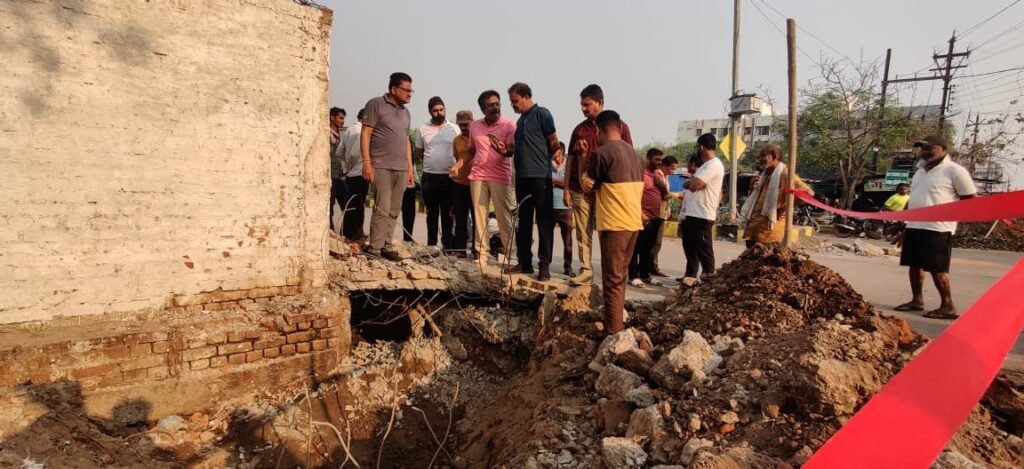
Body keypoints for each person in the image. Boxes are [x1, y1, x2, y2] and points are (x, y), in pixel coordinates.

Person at [894, 135, 976, 320]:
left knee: (937, 268)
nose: (925, 152)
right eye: (922, 148)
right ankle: (916, 300)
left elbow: (970, 199)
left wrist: (952, 217)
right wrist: (905, 226)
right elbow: (915, 199)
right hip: (915, 225)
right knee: (914, 265)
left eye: (929, 148)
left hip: (938, 228)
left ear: (943, 149)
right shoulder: (919, 172)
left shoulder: (954, 171)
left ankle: (947, 305)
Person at [581, 110, 643, 334]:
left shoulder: (601, 154)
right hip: (633, 223)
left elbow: (587, 185)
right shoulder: (636, 155)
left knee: (612, 280)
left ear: (599, 130)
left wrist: (583, 157)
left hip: (614, 223)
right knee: (620, 277)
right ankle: (616, 324)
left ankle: (613, 332)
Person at [566, 84, 633, 286]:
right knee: (582, 231)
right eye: (582, 105)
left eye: (587, 104)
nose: (583, 109)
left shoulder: (619, 127)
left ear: (600, 102)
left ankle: (611, 272)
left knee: (608, 232)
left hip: (607, 190)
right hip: (581, 187)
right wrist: (567, 189)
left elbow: (627, 156)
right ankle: (586, 269)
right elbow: (570, 159)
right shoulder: (579, 129)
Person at [507, 82, 559, 280]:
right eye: (511, 102)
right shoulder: (520, 121)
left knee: (544, 222)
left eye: (515, 101)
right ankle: (524, 261)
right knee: (524, 221)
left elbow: (553, 140)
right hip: (522, 178)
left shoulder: (542, 114)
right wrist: (503, 149)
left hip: (540, 176)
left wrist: (557, 153)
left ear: (526, 97)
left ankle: (544, 264)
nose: (513, 105)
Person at [361, 72, 414, 261]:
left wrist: (410, 168)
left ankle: (387, 245)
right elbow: (366, 134)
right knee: (382, 207)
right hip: (381, 165)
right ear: (393, 89)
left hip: (401, 168)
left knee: (394, 209)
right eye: (406, 90)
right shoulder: (376, 104)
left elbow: (406, 141)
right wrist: (367, 163)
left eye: (411, 90)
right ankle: (374, 248)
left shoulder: (406, 112)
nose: (409, 94)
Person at [468, 90, 517, 269]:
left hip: (500, 176)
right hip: (478, 175)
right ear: (483, 109)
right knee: (479, 217)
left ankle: (511, 255)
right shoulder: (475, 126)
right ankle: (482, 255)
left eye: (497, 104)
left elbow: (511, 150)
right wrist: (459, 165)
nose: (496, 108)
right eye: (491, 105)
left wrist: (503, 150)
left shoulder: (509, 125)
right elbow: (471, 150)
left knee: (504, 217)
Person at [739, 144, 813, 247]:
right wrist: (752, 187)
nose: (759, 160)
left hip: (771, 233)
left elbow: (808, 193)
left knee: (767, 256)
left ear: (774, 157)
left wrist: (785, 207)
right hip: (754, 230)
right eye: (759, 157)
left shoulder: (785, 173)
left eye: (763, 156)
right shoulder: (765, 175)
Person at [415, 97, 460, 249]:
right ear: (430, 111)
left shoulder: (454, 128)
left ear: (445, 109)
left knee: (448, 213)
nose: (439, 113)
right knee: (432, 213)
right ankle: (431, 245)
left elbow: (459, 151)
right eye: (435, 110)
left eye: (441, 109)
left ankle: (447, 246)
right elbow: (419, 152)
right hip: (430, 176)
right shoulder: (422, 129)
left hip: (449, 177)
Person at [681, 133, 725, 283]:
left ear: (701, 147)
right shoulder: (705, 166)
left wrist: (693, 182)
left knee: (704, 250)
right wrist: (693, 182)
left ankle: (709, 278)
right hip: (693, 214)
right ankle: (690, 279)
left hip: (703, 214)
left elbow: (694, 185)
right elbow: (693, 183)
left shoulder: (714, 165)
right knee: (692, 249)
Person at [630, 149, 669, 287]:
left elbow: (665, 196)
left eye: (661, 160)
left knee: (648, 248)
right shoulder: (641, 175)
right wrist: (641, 214)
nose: (659, 162)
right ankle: (633, 276)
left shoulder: (657, 176)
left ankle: (645, 275)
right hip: (641, 217)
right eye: (657, 160)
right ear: (648, 159)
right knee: (636, 247)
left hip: (655, 217)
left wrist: (662, 186)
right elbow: (633, 196)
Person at [650, 155, 683, 277]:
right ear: (664, 166)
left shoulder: (665, 177)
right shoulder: (658, 175)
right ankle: (649, 267)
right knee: (654, 242)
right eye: (671, 168)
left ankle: (652, 266)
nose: (673, 171)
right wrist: (678, 195)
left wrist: (668, 209)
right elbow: (664, 194)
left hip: (661, 212)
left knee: (656, 242)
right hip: (656, 212)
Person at [449, 110, 476, 257]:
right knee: (460, 218)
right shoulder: (456, 140)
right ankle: (460, 249)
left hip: (476, 184)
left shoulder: (478, 138)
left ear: (472, 122)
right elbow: (457, 159)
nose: (463, 128)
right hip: (459, 184)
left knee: (478, 219)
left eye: (466, 124)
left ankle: (477, 250)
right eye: (461, 125)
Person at [341, 109, 368, 242]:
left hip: (350, 174)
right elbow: (353, 154)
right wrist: (350, 166)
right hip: (359, 172)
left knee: (350, 205)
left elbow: (339, 152)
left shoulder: (348, 130)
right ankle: (356, 235)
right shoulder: (361, 131)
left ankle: (348, 234)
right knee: (358, 206)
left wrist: (346, 167)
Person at [551, 142, 575, 276]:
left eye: (554, 150)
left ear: (560, 151)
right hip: (550, 206)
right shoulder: (548, 164)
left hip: (565, 206)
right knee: (547, 237)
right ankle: (545, 263)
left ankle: (568, 266)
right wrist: (562, 183)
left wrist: (554, 181)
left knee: (567, 239)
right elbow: (545, 180)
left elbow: (569, 182)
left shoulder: (569, 166)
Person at [329, 107, 347, 234]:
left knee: (346, 205)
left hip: (340, 176)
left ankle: (344, 232)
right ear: (332, 117)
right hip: (330, 176)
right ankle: (330, 231)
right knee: (329, 207)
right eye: (340, 118)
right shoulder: (327, 133)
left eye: (343, 118)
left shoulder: (341, 135)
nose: (342, 121)